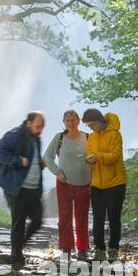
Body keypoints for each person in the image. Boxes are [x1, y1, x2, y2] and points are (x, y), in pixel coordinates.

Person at [0, 111, 46, 269]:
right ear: (28, 123)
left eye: (42, 127)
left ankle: (18, 246)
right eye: (38, 126)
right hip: (17, 188)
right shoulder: (15, 135)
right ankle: (16, 258)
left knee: (37, 220)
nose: (40, 130)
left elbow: (31, 160)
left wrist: (39, 164)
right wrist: (17, 160)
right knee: (19, 222)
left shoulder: (37, 139)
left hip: (33, 188)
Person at [44, 109, 91, 258]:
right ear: (64, 122)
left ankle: (82, 249)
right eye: (67, 119)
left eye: (73, 119)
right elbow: (47, 157)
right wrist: (58, 172)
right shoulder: (59, 138)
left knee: (82, 216)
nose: (70, 122)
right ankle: (66, 249)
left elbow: (95, 157)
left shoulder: (88, 137)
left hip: (84, 183)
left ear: (79, 120)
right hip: (64, 183)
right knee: (64, 216)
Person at [82, 108, 127, 261]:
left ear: (100, 120)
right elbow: (89, 155)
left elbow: (115, 156)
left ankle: (113, 250)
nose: (91, 128)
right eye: (89, 126)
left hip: (116, 182)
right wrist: (89, 160)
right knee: (97, 218)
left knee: (114, 218)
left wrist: (98, 156)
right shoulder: (92, 137)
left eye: (92, 124)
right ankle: (99, 250)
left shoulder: (115, 134)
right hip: (97, 184)